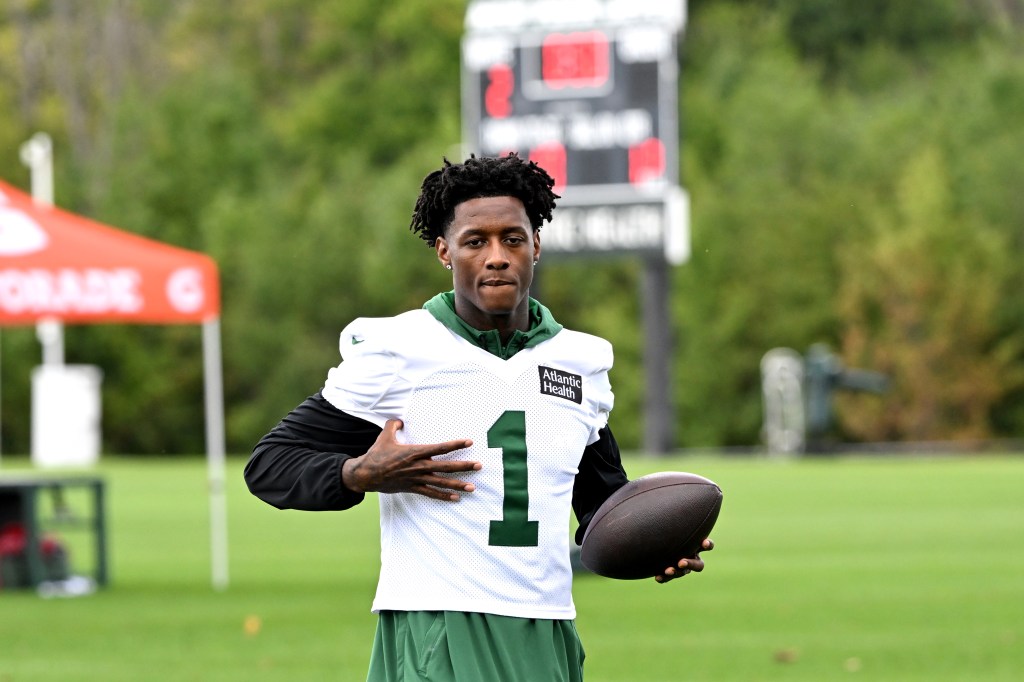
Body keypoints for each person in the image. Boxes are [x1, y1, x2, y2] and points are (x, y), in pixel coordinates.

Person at [244, 153, 713, 682]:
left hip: (548, 626)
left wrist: (658, 543)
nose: (496, 257)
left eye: (512, 239)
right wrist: (360, 473)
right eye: (475, 242)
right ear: (444, 251)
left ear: (536, 244)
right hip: (440, 625)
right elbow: (270, 465)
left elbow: (601, 502)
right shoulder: (400, 351)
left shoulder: (580, 362)